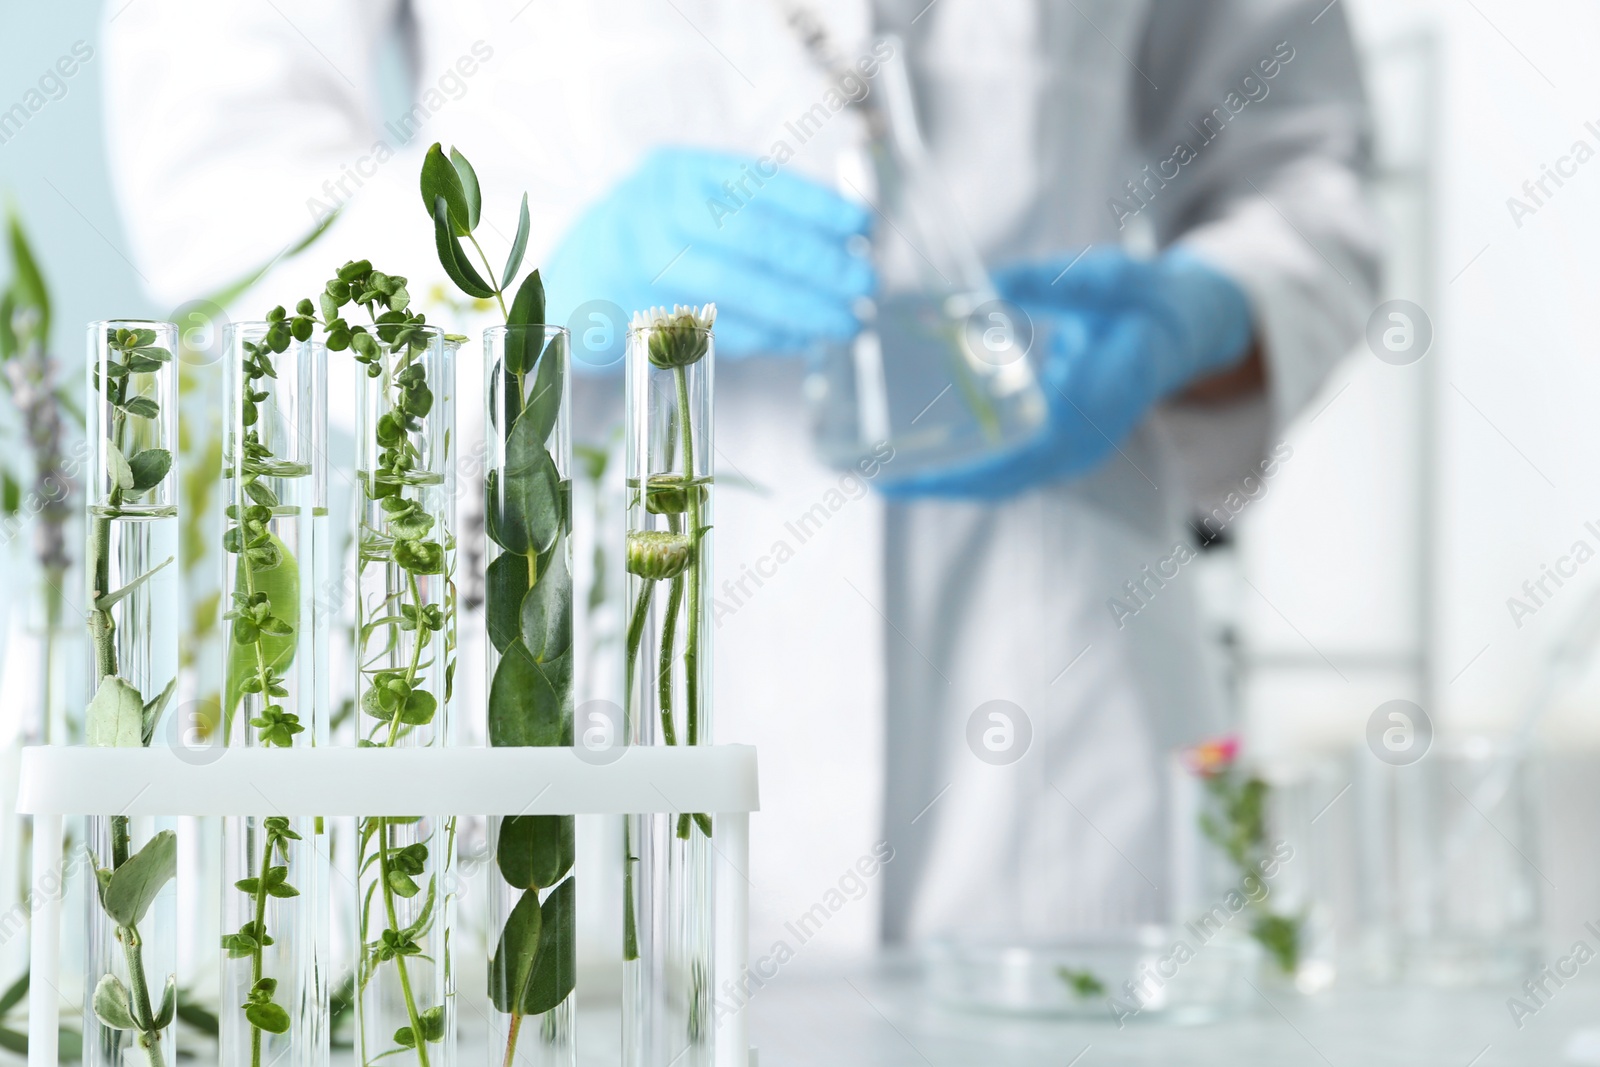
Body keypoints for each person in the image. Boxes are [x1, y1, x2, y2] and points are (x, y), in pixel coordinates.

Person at [103, 0, 1378, 952]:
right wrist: (520, 266)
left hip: (1053, 715)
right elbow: (228, 199)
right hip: (571, 679)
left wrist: (1203, 314)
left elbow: (1306, 164)